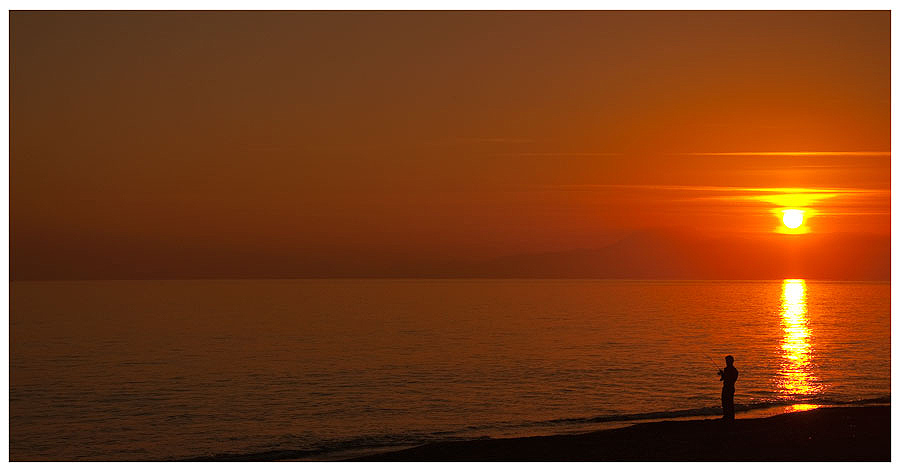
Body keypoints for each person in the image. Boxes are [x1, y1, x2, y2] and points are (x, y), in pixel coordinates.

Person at [717, 355, 738, 422]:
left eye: (727, 361)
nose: (726, 362)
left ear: (731, 361)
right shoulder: (728, 369)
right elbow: (723, 379)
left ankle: (730, 417)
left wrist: (723, 375)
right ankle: (727, 416)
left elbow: (730, 379)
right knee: (725, 402)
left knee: (729, 403)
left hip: (729, 388)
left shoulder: (734, 370)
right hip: (727, 387)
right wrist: (722, 375)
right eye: (726, 361)